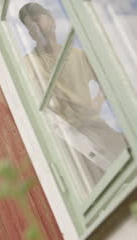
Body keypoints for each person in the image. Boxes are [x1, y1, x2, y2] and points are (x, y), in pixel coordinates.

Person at [18, 3, 126, 181]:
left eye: (37, 19)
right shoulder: (30, 63)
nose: (34, 26)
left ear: (52, 20)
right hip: (71, 141)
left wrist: (97, 103)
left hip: (97, 128)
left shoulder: (78, 55)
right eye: (29, 25)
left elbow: (108, 79)